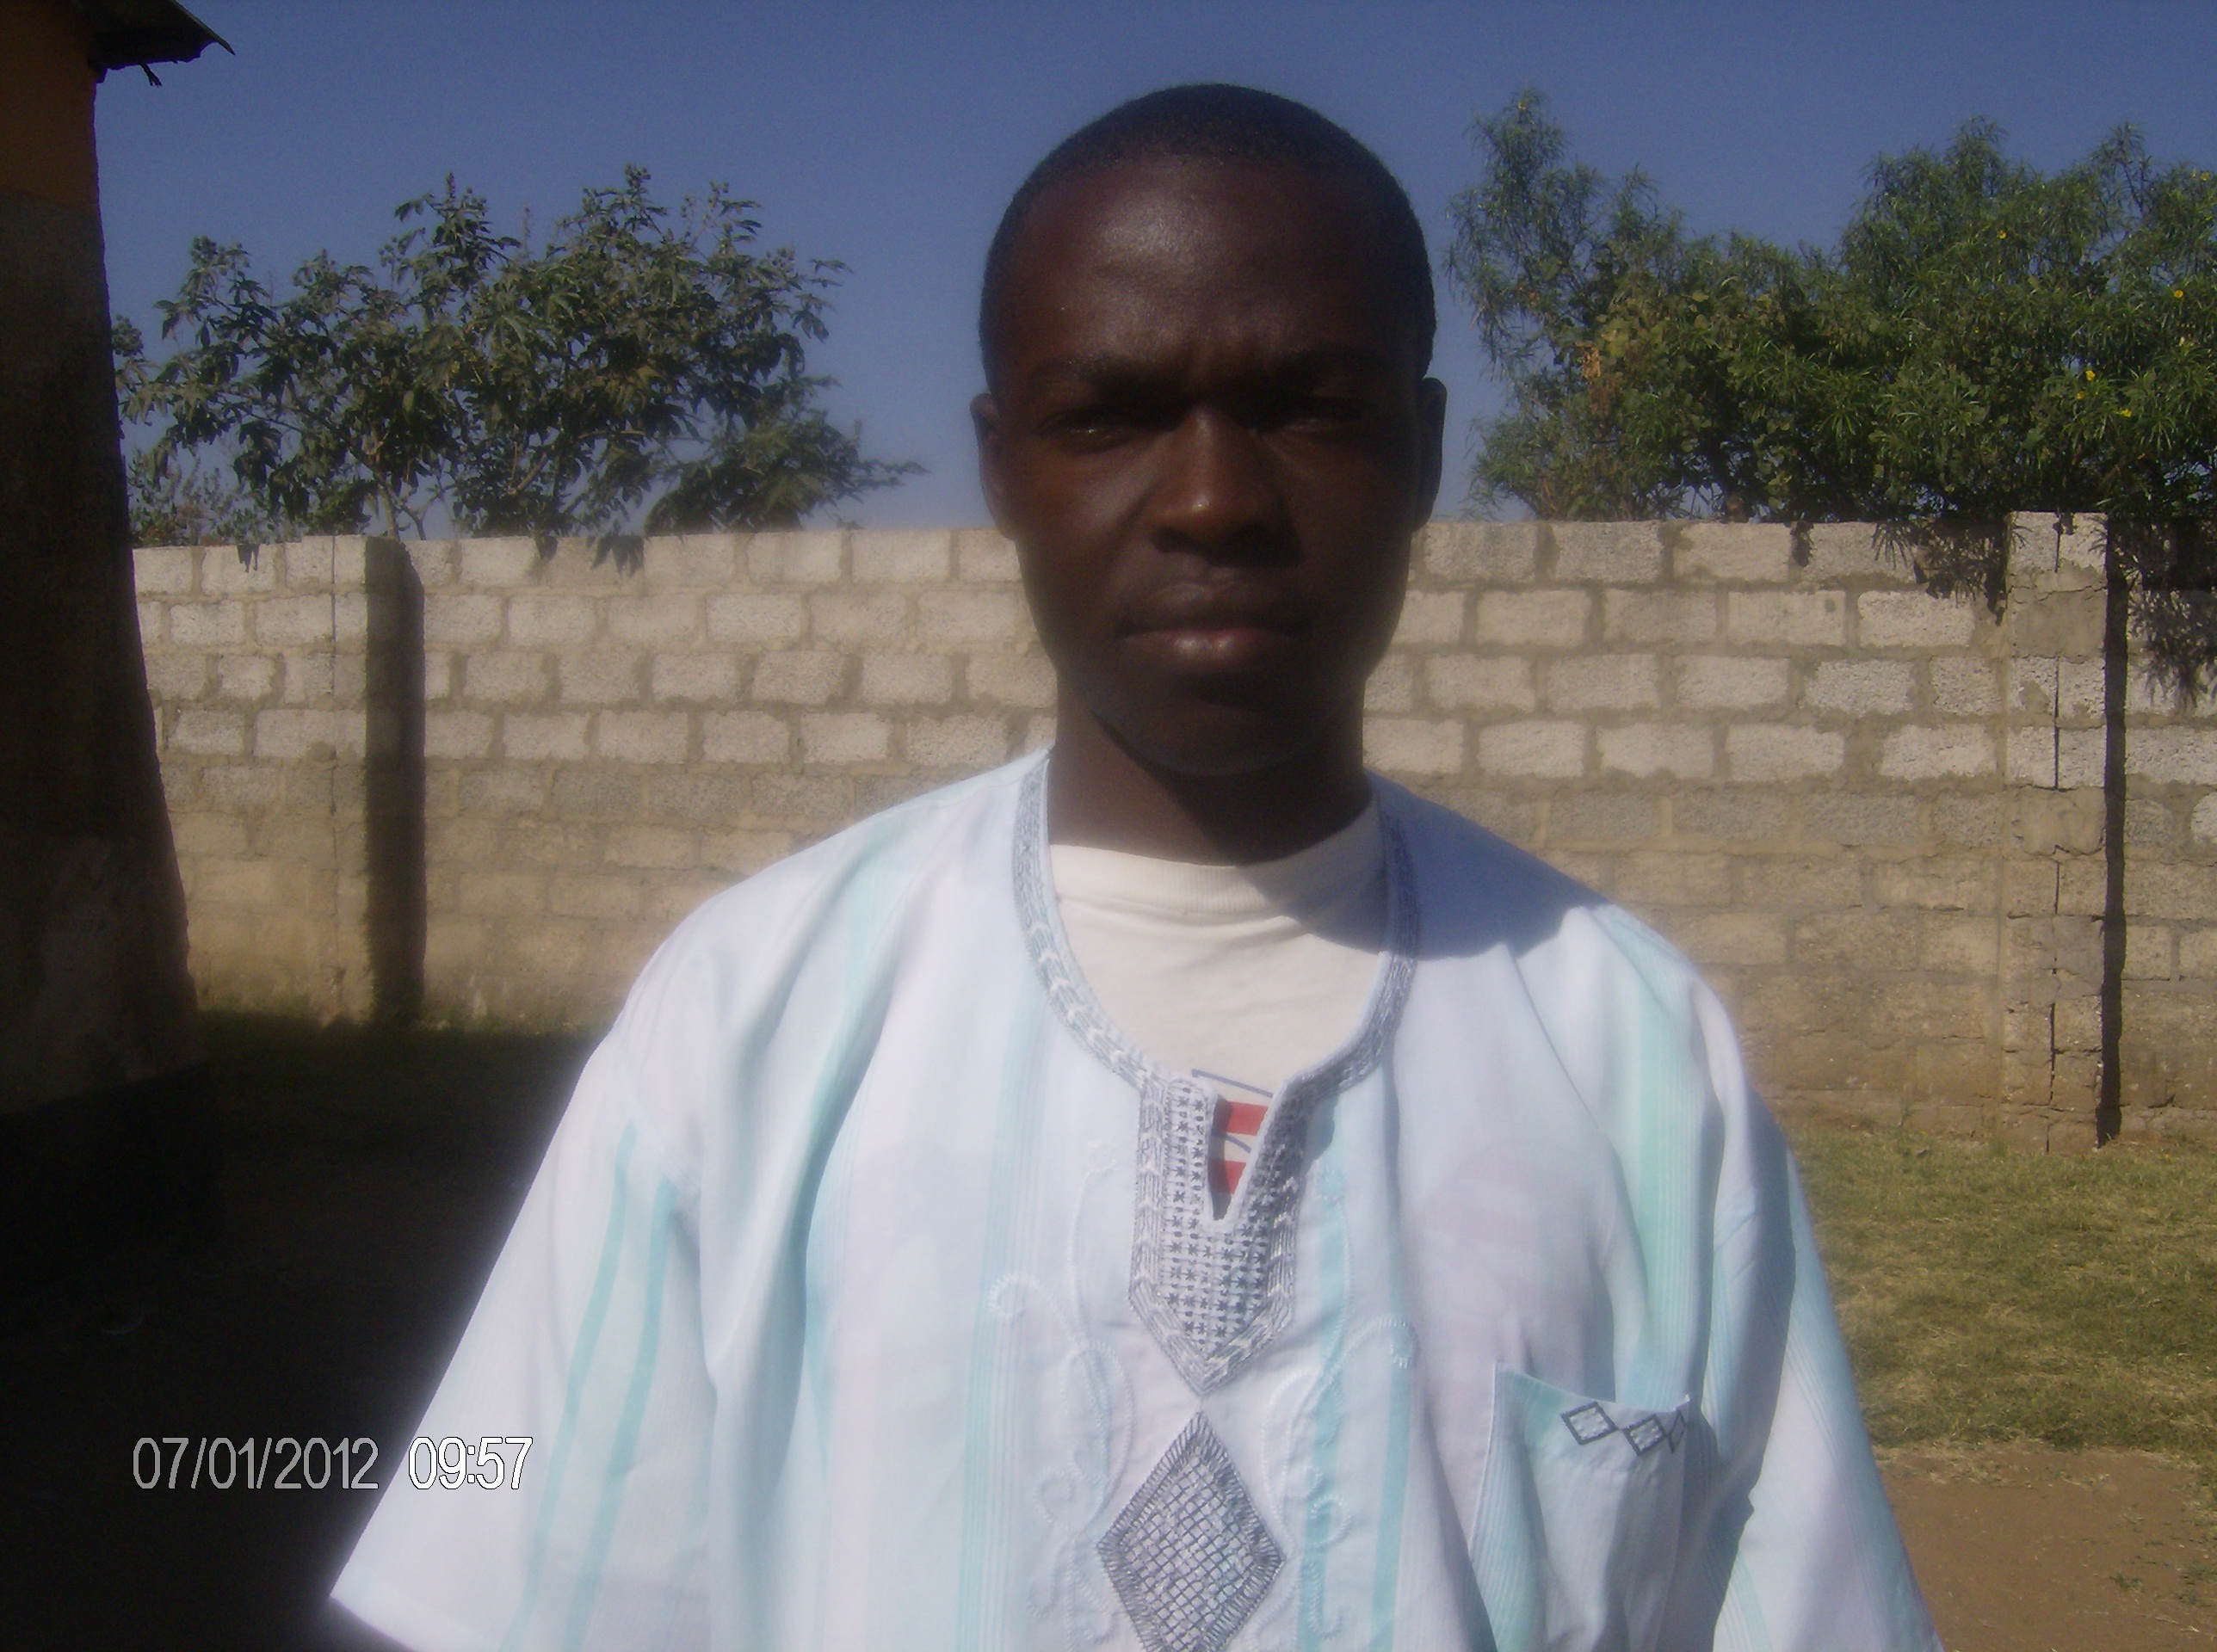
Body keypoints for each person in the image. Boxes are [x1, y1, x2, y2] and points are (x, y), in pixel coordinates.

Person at [331, 84, 1939, 1652]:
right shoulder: (749, 1020)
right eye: (1106, 415)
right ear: (1001, 466)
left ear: (1426, 450)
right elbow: (511, 1561)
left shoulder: (1639, 1057)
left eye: (1313, 407)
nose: (1215, 500)